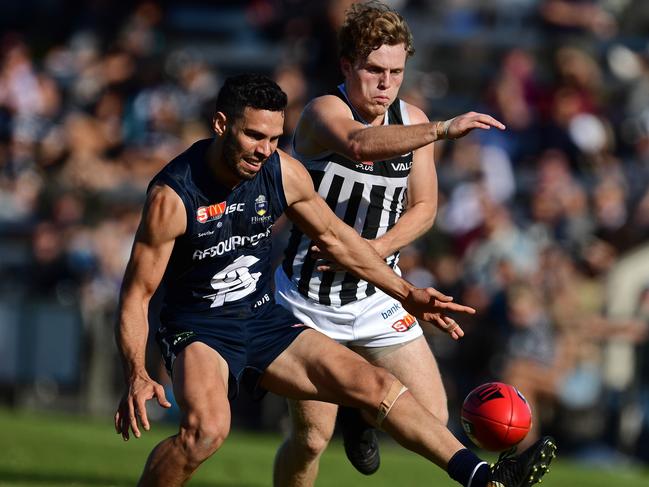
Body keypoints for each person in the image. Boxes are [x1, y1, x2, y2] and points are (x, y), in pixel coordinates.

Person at [114, 73, 556, 487]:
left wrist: (408, 294)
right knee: (207, 432)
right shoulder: (173, 196)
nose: (264, 149)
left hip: (262, 316)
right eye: (252, 136)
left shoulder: (281, 171)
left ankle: (484, 479)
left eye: (273, 138)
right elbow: (138, 293)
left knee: (376, 387)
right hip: (200, 327)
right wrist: (136, 371)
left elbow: (338, 239)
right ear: (220, 124)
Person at [273, 1, 508, 484]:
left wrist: (374, 252)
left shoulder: (410, 116)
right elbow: (358, 144)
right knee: (312, 439)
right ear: (346, 66)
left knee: (431, 413)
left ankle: (363, 415)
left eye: (396, 72)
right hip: (309, 300)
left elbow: (424, 207)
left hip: (377, 292)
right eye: (374, 70)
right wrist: (442, 130)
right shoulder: (323, 112)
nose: (385, 84)